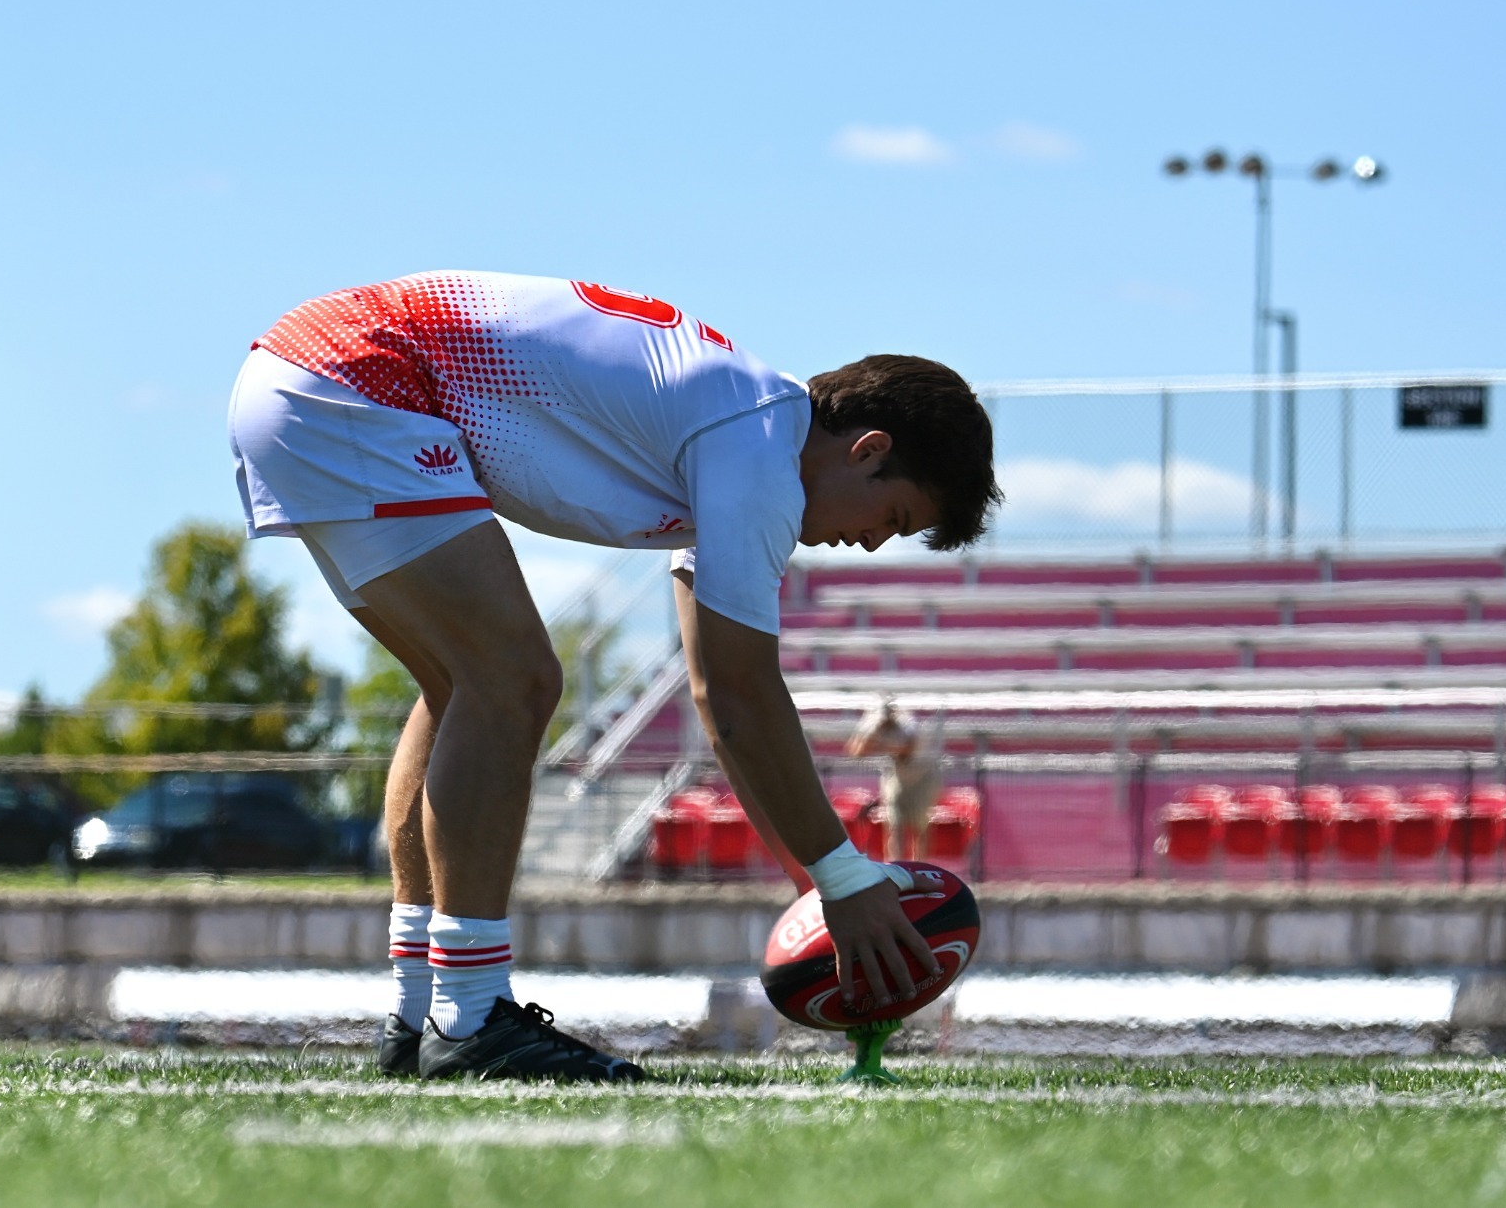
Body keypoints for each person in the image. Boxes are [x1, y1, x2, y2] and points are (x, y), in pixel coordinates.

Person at [228, 271, 1000, 1081]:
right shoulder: (759, 454)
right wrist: (844, 881)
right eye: (893, 518)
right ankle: (471, 1015)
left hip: (305, 371)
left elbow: (716, 695)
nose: (874, 543)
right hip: (354, 376)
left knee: (462, 687)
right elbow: (739, 699)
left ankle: (422, 1010)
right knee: (513, 679)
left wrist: (828, 888)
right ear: (867, 449)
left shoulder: (739, 443)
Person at [845, 700, 941, 862]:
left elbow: (908, 749)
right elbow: (855, 751)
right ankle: (896, 866)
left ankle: (919, 866)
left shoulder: (907, 722)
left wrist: (879, 745)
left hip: (922, 776)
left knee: (919, 827)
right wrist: (871, 734)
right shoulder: (871, 723)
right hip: (896, 778)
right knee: (895, 825)